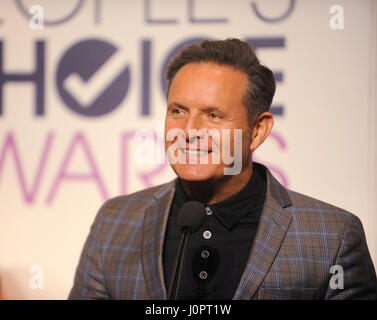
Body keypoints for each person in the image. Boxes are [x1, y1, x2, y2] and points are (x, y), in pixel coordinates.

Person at [68, 38, 377, 300]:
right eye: (178, 111)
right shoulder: (115, 222)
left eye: (213, 115)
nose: (188, 131)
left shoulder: (332, 236)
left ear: (257, 131)